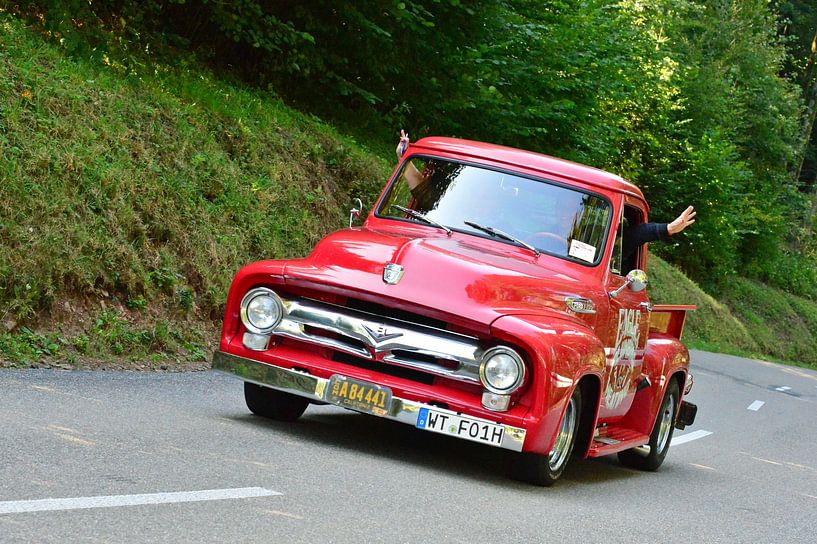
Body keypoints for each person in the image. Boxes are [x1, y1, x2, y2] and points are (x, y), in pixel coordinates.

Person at [395, 130, 695, 257]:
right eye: (565, 208)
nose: (568, 214)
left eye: (575, 209)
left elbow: (632, 237)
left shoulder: (588, 241)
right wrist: (405, 163)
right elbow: (433, 204)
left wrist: (667, 229)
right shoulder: (488, 222)